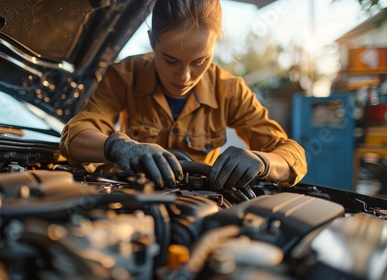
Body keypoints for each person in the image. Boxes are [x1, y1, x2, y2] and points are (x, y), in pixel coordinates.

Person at [60, 0, 307, 190]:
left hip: (202, 209)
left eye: (200, 61)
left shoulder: (230, 90)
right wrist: (118, 146)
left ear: (213, 48)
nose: (185, 77)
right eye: (170, 60)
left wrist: (263, 162)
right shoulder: (125, 75)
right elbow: (76, 134)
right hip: (131, 200)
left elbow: (292, 155)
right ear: (152, 42)